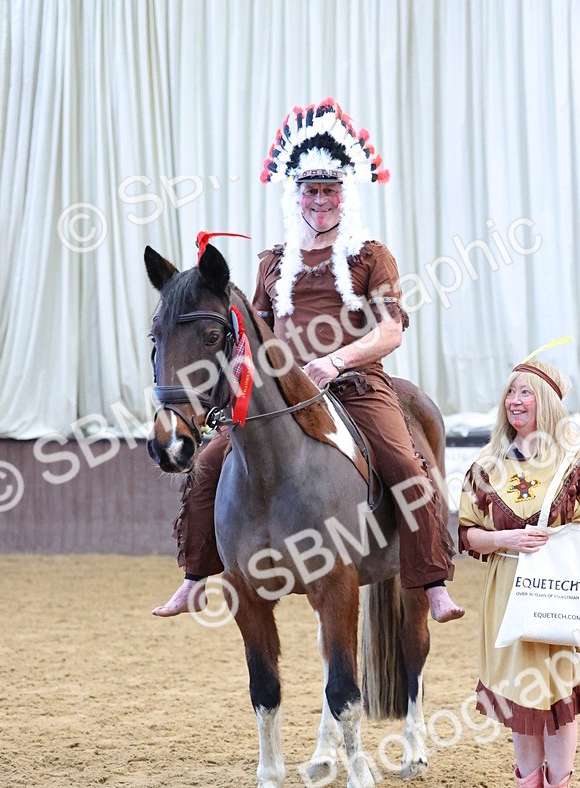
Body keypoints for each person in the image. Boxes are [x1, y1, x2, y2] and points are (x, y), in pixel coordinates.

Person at [152, 99, 463, 623]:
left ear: (345, 194)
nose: (320, 200)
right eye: (311, 191)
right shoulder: (273, 262)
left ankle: (432, 581)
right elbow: (253, 330)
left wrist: (337, 361)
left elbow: (390, 331)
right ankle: (194, 575)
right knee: (206, 465)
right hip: (282, 390)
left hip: (357, 384)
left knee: (410, 468)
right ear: (296, 195)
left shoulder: (371, 256)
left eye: (329, 190)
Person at [458, 357, 580, 788]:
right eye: (511, 393)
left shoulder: (578, 461)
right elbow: (468, 535)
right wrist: (507, 539)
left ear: (548, 402)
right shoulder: (489, 465)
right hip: (506, 597)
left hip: (560, 592)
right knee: (518, 703)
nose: (516, 402)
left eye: (527, 393)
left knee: (558, 704)